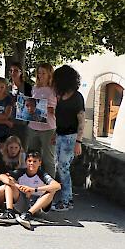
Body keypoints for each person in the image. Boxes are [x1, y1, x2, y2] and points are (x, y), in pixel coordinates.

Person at [0, 150, 61, 230]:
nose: (31, 163)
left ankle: (27, 215)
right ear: (26, 162)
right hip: (22, 202)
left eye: (35, 161)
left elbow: (57, 186)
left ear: (40, 163)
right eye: (29, 161)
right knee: (8, 185)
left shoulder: (42, 174)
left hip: (37, 206)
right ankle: (9, 213)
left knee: (52, 190)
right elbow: (1, 176)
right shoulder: (21, 172)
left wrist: (34, 190)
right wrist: (17, 185)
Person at [51, 64, 84, 211]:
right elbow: (59, 118)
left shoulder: (77, 97)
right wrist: (54, 133)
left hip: (71, 137)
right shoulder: (60, 96)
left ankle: (66, 201)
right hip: (60, 135)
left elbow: (82, 121)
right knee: (59, 167)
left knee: (63, 168)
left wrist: (79, 141)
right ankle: (66, 199)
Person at [26, 62, 57, 176]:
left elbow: (56, 109)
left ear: (49, 74)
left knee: (48, 159)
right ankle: (32, 180)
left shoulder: (54, 89)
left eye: (43, 73)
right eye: (39, 73)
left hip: (48, 128)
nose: (41, 75)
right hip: (33, 126)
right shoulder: (34, 88)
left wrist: (43, 108)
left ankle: (50, 186)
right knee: (32, 157)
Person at [8, 61, 33, 144]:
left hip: (24, 124)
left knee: (23, 148)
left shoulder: (27, 87)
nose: (13, 73)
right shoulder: (8, 87)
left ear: (21, 72)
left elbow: (32, 102)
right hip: (10, 123)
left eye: (15, 70)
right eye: (11, 71)